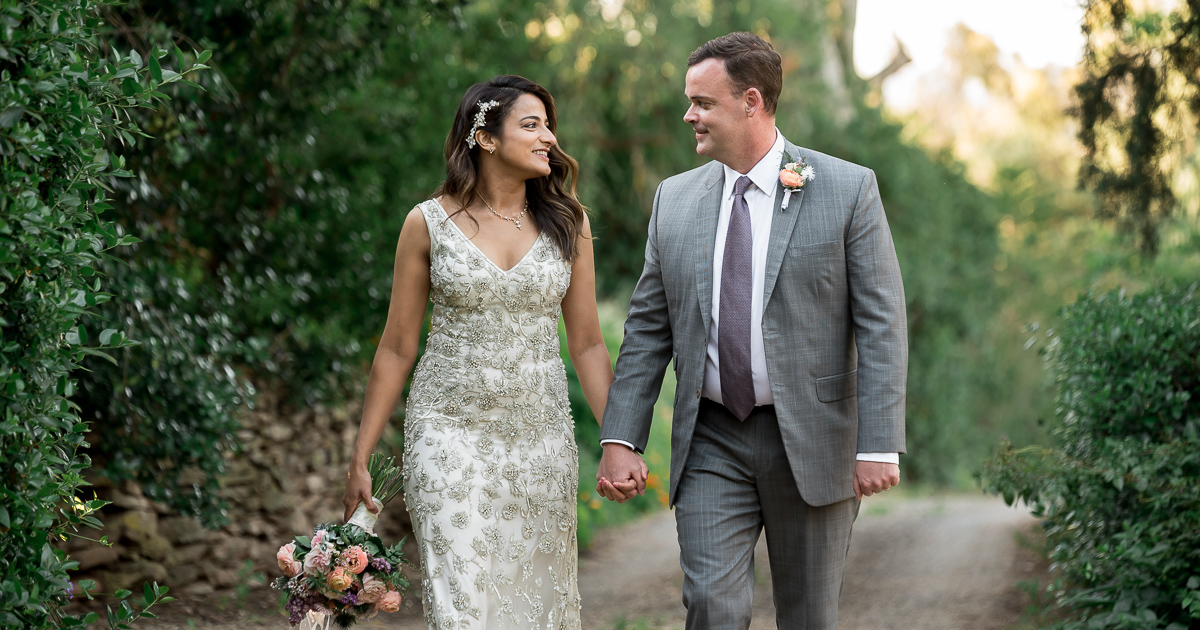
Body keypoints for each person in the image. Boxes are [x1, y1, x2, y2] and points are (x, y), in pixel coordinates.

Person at [595, 33, 909, 629]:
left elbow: (881, 322)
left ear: (751, 101)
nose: (689, 115)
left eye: (702, 103)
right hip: (712, 437)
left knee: (808, 616)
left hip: (816, 441)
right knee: (713, 607)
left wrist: (877, 441)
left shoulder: (846, 189)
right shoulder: (675, 200)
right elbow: (646, 331)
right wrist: (621, 437)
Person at [342, 75, 636, 630]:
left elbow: (589, 344)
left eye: (549, 125)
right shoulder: (427, 223)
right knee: (462, 606)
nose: (548, 136)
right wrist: (361, 456)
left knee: (533, 609)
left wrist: (618, 441)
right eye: (531, 124)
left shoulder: (570, 224)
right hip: (447, 433)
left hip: (540, 441)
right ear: (486, 138)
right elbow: (397, 346)